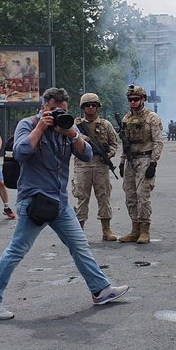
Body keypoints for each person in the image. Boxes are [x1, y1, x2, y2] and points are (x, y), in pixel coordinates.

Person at [0, 87, 129, 320]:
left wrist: (73, 134)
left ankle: (100, 289)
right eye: (54, 110)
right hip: (34, 200)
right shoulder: (27, 124)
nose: (59, 115)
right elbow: (21, 152)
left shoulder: (67, 127)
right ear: (43, 107)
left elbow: (87, 154)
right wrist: (41, 127)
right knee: (17, 250)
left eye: (63, 111)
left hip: (60, 201)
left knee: (80, 245)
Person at [119, 84, 164, 244]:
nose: (133, 102)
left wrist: (153, 163)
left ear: (143, 99)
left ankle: (145, 230)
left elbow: (158, 141)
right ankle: (135, 229)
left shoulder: (152, 118)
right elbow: (125, 143)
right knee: (130, 195)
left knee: (142, 195)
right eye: (130, 99)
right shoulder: (126, 119)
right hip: (131, 161)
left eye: (136, 99)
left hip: (145, 159)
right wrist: (122, 162)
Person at [70, 93, 119, 240]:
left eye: (93, 105)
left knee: (103, 197)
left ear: (98, 107)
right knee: (81, 198)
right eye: (87, 105)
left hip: (100, 166)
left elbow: (113, 144)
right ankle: (79, 232)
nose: (90, 107)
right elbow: (69, 143)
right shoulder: (76, 126)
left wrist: (108, 156)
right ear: (83, 107)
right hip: (82, 165)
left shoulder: (106, 124)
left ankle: (106, 231)